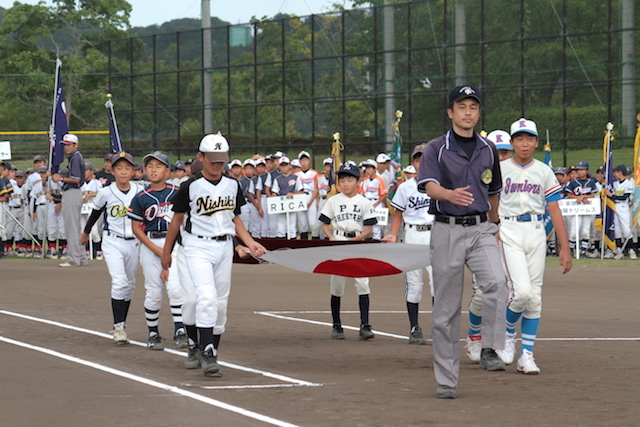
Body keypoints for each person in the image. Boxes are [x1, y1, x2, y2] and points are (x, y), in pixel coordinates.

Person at [416, 85, 508, 399]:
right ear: (451, 112)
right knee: (445, 311)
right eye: (462, 106)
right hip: (447, 230)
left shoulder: (488, 149)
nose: (468, 112)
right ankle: (446, 380)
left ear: (479, 112)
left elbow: (493, 189)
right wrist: (448, 194)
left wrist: (494, 223)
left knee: (497, 282)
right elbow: (428, 185)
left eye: (473, 106)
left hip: (481, 227)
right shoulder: (435, 148)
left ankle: (489, 349)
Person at [160, 132, 266, 377]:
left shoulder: (232, 185)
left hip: (223, 246)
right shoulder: (190, 186)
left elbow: (234, 218)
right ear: (201, 157)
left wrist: (250, 242)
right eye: (212, 159)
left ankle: (209, 350)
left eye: (222, 160)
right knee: (199, 299)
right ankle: (202, 350)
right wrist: (167, 254)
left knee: (219, 303)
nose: (218, 164)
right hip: (196, 246)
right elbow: (176, 221)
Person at [494, 118, 572, 374]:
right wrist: (493, 228)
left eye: (529, 139)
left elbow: (554, 208)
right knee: (522, 292)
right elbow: (490, 202)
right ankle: (506, 336)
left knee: (535, 297)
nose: (524, 143)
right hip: (510, 230)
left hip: (537, 231)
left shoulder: (544, 170)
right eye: (519, 139)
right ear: (512, 142)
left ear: (536, 143)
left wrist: (564, 246)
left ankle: (526, 354)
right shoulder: (501, 168)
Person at [81, 151, 144, 344]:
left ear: (133, 171)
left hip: (134, 242)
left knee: (130, 284)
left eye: (127, 168)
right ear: (112, 170)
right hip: (113, 241)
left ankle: (122, 323)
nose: (123, 172)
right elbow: (95, 213)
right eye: (119, 168)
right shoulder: (106, 192)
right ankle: (118, 328)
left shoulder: (139, 191)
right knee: (120, 282)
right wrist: (85, 232)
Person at [128, 151, 187, 350]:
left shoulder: (177, 193)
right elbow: (136, 228)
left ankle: (180, 330)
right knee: (153, 292)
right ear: (144, 170)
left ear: (168, 171)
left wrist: (167, 251)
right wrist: (157, 250)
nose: (153, 170)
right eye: (150, 166)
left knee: (176, 288)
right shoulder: (141, 197)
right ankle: (153, 333)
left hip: (175, 245)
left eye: (159, 166)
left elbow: (181, 222)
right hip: (150, 245)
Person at [464, 129, 513, 362]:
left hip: (513, 238)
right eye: (498, 152)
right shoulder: (477, 175)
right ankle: (474, 336)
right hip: (483, 236)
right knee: (483, 293)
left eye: (505, 152)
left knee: (511, 292)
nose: (501, 158)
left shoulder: (518, 176)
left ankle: (496, 342)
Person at [319, 162, 378, 341]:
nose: (345, 183)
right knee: (337, 284)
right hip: (338, 241)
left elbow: (368, 229)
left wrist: (353, 241)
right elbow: (324, 224)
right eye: (342, 179)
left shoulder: (364, 202)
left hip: (357, 242)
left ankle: (365, 324)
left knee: (362, 283)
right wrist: (330, 238)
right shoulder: (333, 200)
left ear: (358, 182)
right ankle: (337, 325)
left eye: (349, 179)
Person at [383, 144, 433, 345]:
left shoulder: (441, 184)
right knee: (414, 285)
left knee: (439, 284)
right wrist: (393, 235)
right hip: (412, 234)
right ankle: (414, 327)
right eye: (418, 159)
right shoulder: (406, 187)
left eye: (426, 158)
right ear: (413, 163)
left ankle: (439, 326)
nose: (422, 163)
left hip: (436, 234)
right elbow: (398, 215)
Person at [52, 133, 87, 267]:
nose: (66, 147)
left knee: (71, 228)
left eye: (69, 144)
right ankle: (81, 257)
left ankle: (74, 259)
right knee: (76, 227)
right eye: (65, 145)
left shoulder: (75, 158)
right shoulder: (75, 157)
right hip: (74, 193)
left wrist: (60, 178)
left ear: (75, 145)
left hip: (72, 192)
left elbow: (76, 179)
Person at [565, 160, 598, 257]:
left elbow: (593, 194)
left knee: (585, 230)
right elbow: (569, 195)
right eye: (579, 170)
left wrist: (583, 197)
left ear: (587, 171)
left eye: (582, 170)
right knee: (573, 231)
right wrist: (579, 198)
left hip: (587, 208)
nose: (580, 172)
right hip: (576, 208)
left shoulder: (591, 182)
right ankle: (571, 250)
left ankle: (583, 251)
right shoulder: (573, 182)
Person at [270, 157, 304, 239]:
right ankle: (281, 243)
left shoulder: (296, 178)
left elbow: (301, 191)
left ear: (290, 166)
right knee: (280, 226)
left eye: (285, 165)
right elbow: (274, 192)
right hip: (281, 204)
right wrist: (276, 198)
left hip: (292, 204)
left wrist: (293, 194)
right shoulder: (277, 179)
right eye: (282, 165)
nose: (284, 167)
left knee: (291, 226)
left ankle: (292, 242)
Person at [609, 164, 635, 259]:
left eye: (616, 172)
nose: (614, 174)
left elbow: (624, 197)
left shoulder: (628, 183)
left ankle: (631, 250)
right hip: (615, 206)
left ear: (620, 172)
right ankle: (619, 250)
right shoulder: (615, 184)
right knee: (617, 229)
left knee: (626, 228)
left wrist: (611, 196)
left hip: (623, 206)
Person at [359, 159, 388, 240]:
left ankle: (377, 242)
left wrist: (376, 204)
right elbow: (361, 193)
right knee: (364, 226)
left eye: (369, 168)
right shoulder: (364, 180)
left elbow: (384, 194)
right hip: (366, 202)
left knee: (376, 228)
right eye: (366, 168)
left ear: (375, 169)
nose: (367, 170)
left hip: (376, 202)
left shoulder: (379, 180)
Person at [296, 151, 319, 239]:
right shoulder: (296, 174)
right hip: (300, 196)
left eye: (306, 160)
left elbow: (316, 188)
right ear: (300, 161)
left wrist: (312, 201)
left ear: (309, 161)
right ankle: (304, 241)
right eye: (302, 160)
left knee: (312, 221)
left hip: (311, 196)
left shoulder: (314, 173)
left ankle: (315, 240)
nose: (304, 162)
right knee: (302, 223)